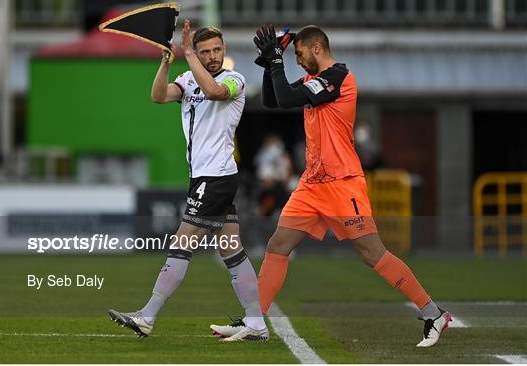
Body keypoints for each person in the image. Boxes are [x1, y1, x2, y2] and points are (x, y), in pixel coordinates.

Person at [212, 25, 451, 347]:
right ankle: (255, 321)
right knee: (277, 246)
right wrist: (272, 63)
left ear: (316, 49)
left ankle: (433, 312)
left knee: (371, 253)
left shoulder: (337, 77)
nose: (296, 60)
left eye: (298, 54)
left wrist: (277, 61)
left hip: (343, 183)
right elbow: (273, 100)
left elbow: (285, 96)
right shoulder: (314, 81)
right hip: (313, 184)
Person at [108, 19, 268, 342]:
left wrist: (189, 53)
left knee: (181, 244)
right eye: (205, 51)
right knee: (230, 249)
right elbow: (158, 96)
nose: (212, 56)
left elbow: (213, 90)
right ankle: (256, 323)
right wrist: (166, 63)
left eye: (216, 50)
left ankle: (148, 316)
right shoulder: (188, 79)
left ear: (223, 51)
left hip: (216, 177)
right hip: (206, 177)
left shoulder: (233, 80)